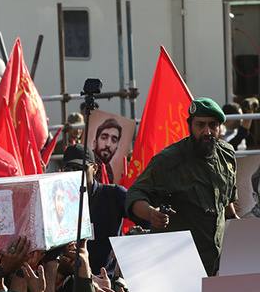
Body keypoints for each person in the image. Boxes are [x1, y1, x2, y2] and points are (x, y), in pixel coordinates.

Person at [126, 98, 239, 276]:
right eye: (200, 125)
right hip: (182, 263)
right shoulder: (168, 161)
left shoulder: (227, 154)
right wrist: (151, 214)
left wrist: (239, 227)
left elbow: (226, 200)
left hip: (220, 261)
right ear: (190, 126)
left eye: (213, 125)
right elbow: (135, 193)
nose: (207, 131)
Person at [62, 144, 137, 274]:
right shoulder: (57, 201)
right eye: (69, 169)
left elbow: (147, 223)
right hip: (70, 280)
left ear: (94, 168)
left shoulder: (114, 194)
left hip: (107, 279)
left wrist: (126, 247)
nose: (75, 174)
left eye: (81, 168)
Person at [91, 118, 122, 184]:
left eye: (114, 140)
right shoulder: (88, 165)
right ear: (95, 143)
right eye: (104, 138)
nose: (108, 144)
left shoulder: (109, 171)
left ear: (116, 148)